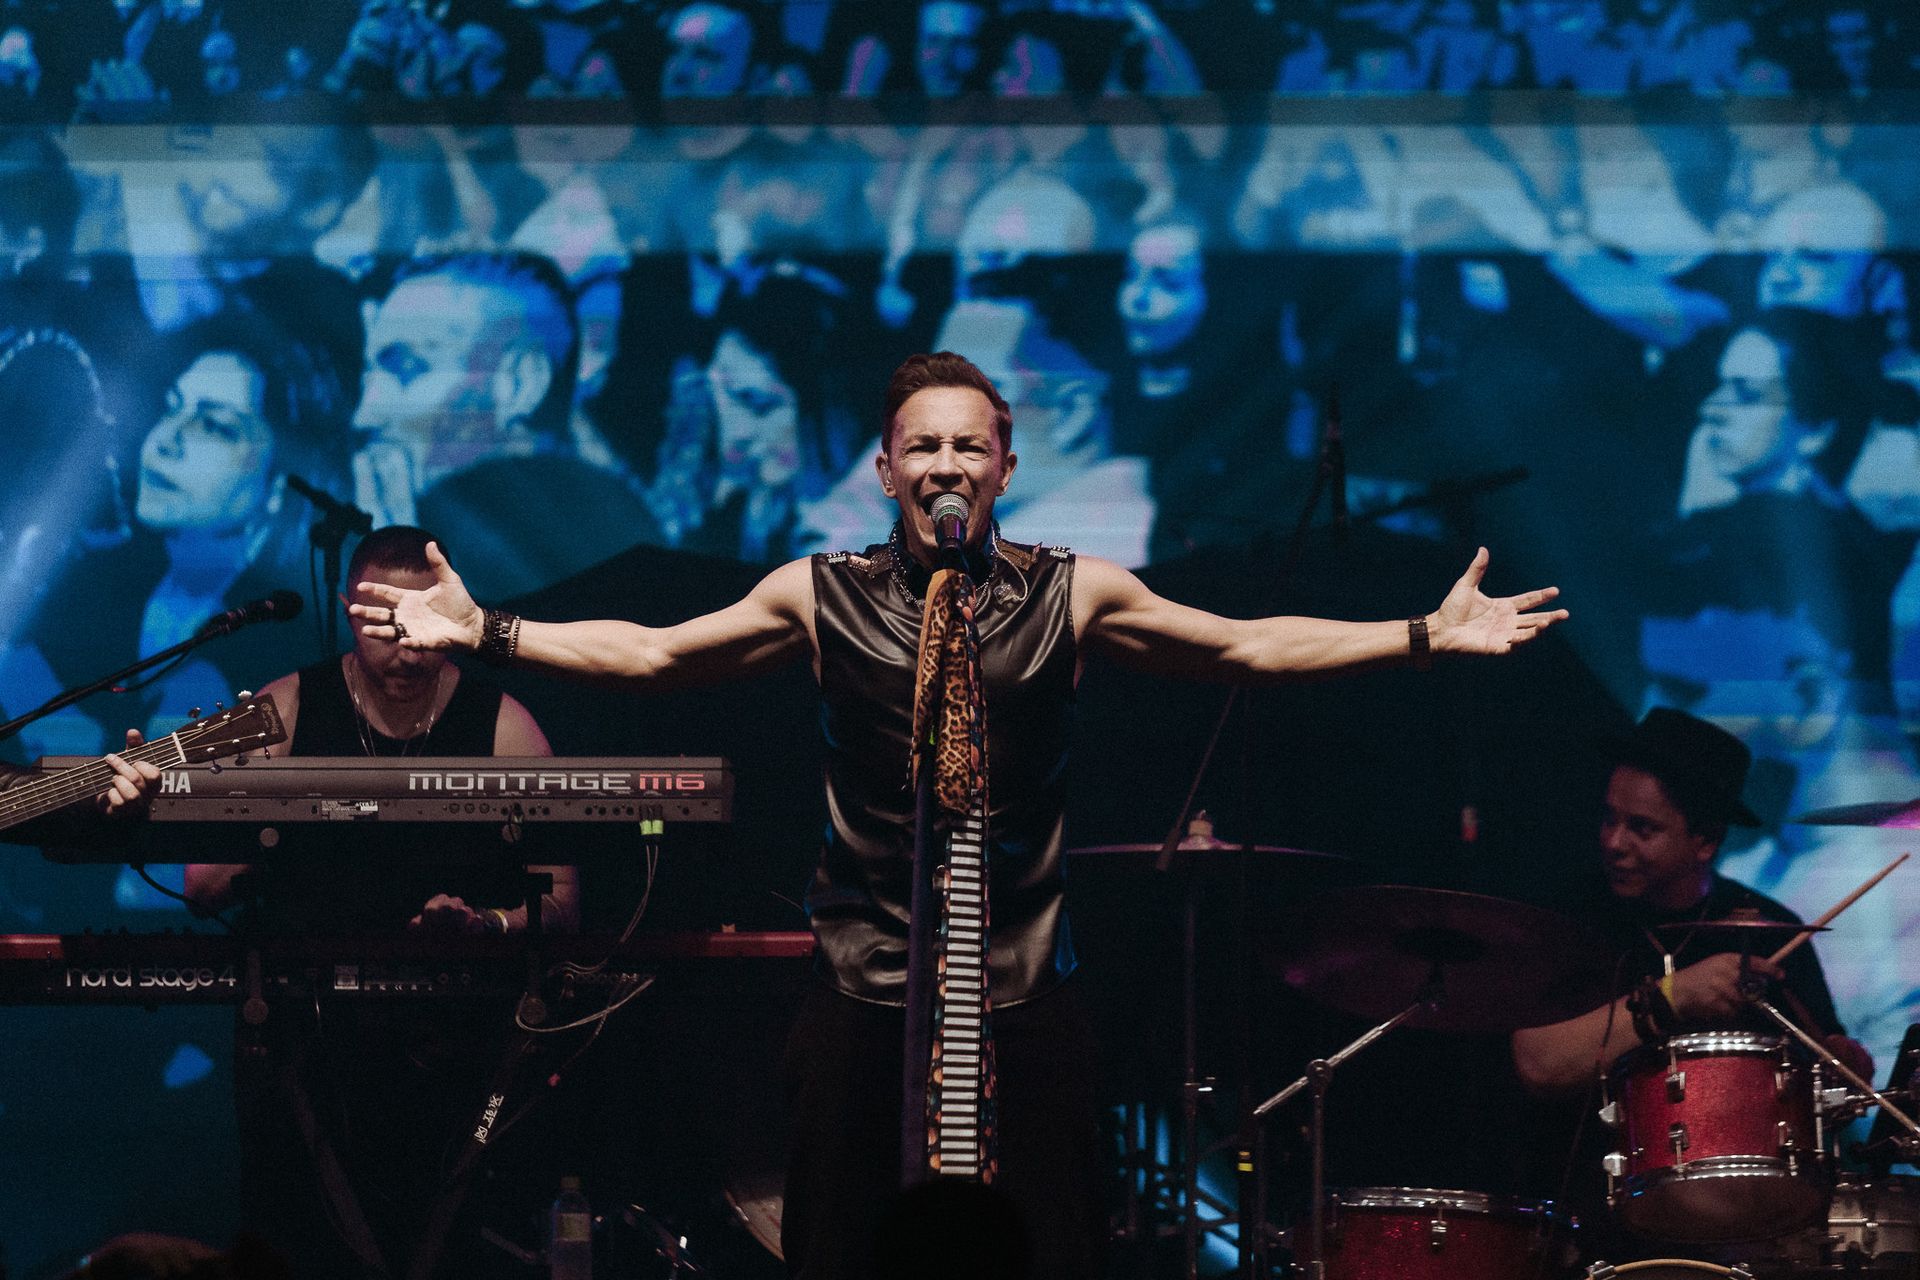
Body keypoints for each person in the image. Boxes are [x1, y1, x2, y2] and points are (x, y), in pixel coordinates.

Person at [352, 350, 1568, 1280]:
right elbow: (657, 654)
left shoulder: (1072, 591)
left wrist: (1420, 633)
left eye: (969, 446)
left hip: (1026, 972)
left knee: (1045, 1240)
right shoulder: (818, 594)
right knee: (837, 1238)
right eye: (921, 446)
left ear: (1003, 466)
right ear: (887, 469)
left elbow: (1249, 642)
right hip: (867, 970)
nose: (945, 466)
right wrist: (488, 628)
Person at [184, 524, 574, 1280]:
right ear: (345, 611)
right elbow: (202, 886)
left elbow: (561, 905)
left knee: (451, 1238)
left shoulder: (505, 728)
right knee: (295, 1239)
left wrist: (487, 924)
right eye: (384, 627)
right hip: (306, 1035)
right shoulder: (285, 711)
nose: (409, 649)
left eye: (427, 627)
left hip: (457, 1042)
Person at [1511, 707, 1874, 1254]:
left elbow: (1833, 1076)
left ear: (1705, 841)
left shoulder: (1769, 929)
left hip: (1746, 1228)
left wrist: (1842, 1064)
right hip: (1586, 1224)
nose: (1614, 842)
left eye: (1642, 828)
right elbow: (1537, 1062)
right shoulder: (1570, 916)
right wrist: (1675, 996)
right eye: (1609, 819)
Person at [351, 251, 659, 599]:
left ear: (520, 384)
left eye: (410, 368)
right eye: (368, 377)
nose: (365, 414)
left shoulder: (609, 549)